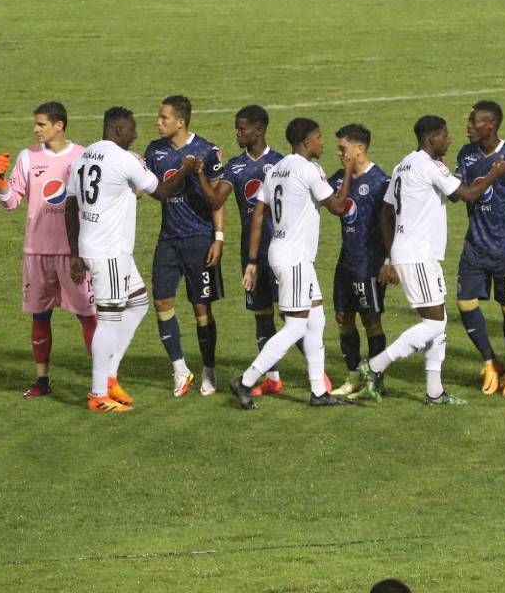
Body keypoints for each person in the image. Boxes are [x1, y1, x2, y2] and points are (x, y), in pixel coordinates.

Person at [361, 115, 505, 405]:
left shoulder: (404, 164)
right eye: (444, 135)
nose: (449, 139)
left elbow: (387, 211)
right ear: (431, 138)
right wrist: (494, 173)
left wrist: (391, 253)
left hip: (415, 254)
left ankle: (434, 391)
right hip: (418, 255)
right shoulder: (427, 166)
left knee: (437, 323)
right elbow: (466, 194)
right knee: (433, 325)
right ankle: (375, 365)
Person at [64, 106, 196, 412]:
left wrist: (74, 251)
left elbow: (70, 207)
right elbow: (161, 192)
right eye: (133, 129)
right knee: (108, 321)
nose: (137, 134)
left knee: (137, 303)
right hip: (109, 252)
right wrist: (187, 168)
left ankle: (109, 376)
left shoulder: (83, 156)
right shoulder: (123, 160)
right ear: (118, 130)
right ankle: (98, 394)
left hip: (103, 249)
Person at [228, 118, 355, 410]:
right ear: (306, 142)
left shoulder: (275, 170)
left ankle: (318, 392)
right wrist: (348, 170)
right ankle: (246, 381)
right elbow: (337, 207)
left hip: (284, 252)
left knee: (316, 320)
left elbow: (258, 214)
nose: (322, 143)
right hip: (294, 257)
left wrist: (252, 260)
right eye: (319, 137)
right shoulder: (307, 169)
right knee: (296, 327)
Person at [0, 101, 97, 399]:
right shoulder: (28, 157)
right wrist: (0, 182)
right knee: (39, 316)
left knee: (87, 316)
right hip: (36, 252)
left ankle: (99, 383)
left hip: (73, 253)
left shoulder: (84, 156)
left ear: (59, 125)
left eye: (41, 124)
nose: (35, 129)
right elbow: (11, 202)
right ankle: (42, 380)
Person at [196, 106, 289, 397]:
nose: (238, 133)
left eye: (243, 128)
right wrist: (199, 174)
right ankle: (272, 377)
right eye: (237, 128)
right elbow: (215, 201)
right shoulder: (235, 167)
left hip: (282, 251)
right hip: (251, 254)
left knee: (292, 314)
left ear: (259, 130)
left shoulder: (283, 164)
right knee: (262, 314)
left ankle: (318, 375)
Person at [145, 95, 226, 397]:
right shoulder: (155, 151)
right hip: (168, 238)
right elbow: (147, 188)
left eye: (164, 117)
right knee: (162, 302)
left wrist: (218, 238)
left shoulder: (207, 150)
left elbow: (218, 201)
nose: (158, 122)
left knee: (201, 307)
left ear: (181, 121)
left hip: (199, 238)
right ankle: (180, 369)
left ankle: (208, 369)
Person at [453, 102, 505, 396]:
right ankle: (490, 360)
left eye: (474, 122)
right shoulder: (466, 155)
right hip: (475, 245)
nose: (469, 127)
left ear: (491, 125)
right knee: (465, 303)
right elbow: (459, 193)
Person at [327, 124, 391, 399]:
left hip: (370, 262)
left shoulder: (381, 182)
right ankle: (354, 375)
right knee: (343, 317)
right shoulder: (339, 179)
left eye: (343, 148)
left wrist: (390, 259)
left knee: (371, 319)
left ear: (360, 149)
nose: (338, 153)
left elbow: (391, 223)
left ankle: (375, 380)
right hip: (346, 261)